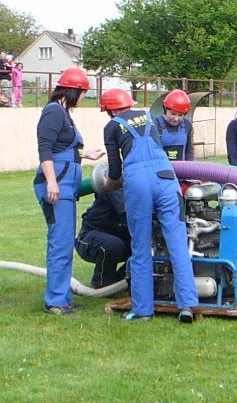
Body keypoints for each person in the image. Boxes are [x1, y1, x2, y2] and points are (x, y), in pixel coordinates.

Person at [100, 88, 198, 323]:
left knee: (141, 245)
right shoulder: (147, 117)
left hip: (138, 181)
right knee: (177, 242)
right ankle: (187, 306)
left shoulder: (112, 127)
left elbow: (114, 171)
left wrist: (107, 183)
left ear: (111, 109)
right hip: (166, 177)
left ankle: (143, 310)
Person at [33, 67, 105, 315]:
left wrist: (86, 154)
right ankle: (54, 302)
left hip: (65, 185)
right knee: (60, 243)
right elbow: (45, 148)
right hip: (57, 186)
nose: (84, 97)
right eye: (83, 92)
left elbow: (63, 149)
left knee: (64, 242)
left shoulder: (63, 113)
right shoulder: (53, 112)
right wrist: (52, 182)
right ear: (73, 91)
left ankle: (62, 297)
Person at [75, 189, 131, 289]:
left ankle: (125, 277)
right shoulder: (114, 188)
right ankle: (101, 283)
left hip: (119, 238)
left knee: (147, 242)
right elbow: (126, 210)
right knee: (113, 245)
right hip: (89, 238)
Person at [154, 89, 194, 161]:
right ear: (165, 109)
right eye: (173, 114)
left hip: (182, 170)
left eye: (180, 115)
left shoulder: (187, 125)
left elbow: (189, 150)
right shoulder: (155, 124)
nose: (176, 118)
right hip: (162, 169)